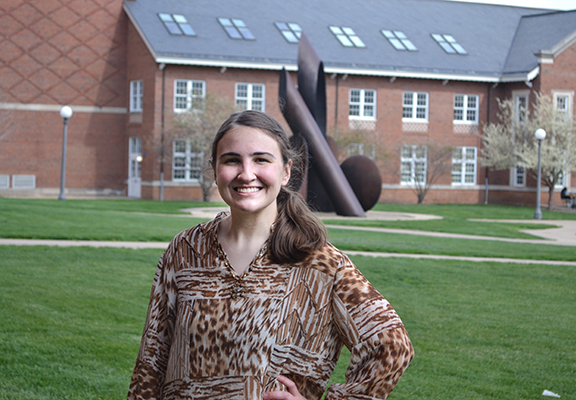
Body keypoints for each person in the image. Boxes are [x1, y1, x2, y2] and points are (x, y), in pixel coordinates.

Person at [127, 110, 413, 400]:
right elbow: (152, 360)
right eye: (232, 160)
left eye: (261, 159)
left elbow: (391, 345)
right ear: (215, 170)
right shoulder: (186, 249)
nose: (246, 173)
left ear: (286, 171)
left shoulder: (320, 263)